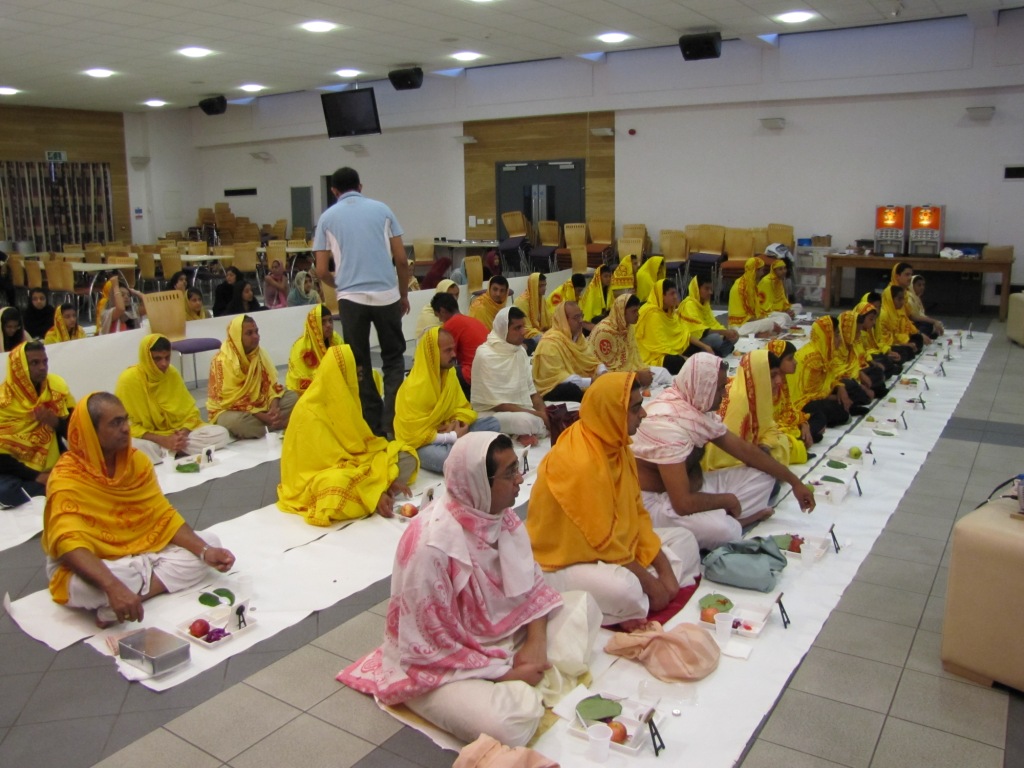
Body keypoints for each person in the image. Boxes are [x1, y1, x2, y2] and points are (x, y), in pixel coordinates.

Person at [338, 433, 601, 747]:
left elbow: (532, 588)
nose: (520, 480)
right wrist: (506, 674)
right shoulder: (431, 547)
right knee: (507, 725)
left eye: (519, 468)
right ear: (478, 484)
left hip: (503, 635)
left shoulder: (500, 518)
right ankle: (525, 684)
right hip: (444, 664)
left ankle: (528, 678)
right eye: (509, 474)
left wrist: (536, 639)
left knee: (586, 605)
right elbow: (431, 646)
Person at [41, 392, 235, 627]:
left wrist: (205, 551)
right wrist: (112, 585)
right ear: (91, 430)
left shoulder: (137, 463)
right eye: (115, 423)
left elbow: (163, 516)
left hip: (141, 551)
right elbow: (67, 544)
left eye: (125, 420)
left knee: (209, 541)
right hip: (95, 562)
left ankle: (129, 597)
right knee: (89, 587)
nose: (125, 429)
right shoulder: (66, 476)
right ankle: (123, 591)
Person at [526, 373, 701, 626]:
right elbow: (602, 541)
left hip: (613, 547)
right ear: (612, 411)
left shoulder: (615, 445)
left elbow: (637, 514)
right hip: (562, 561)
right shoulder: (580, 462)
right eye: (635, 408)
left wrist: (663, 572)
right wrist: (652, 583)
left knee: (686, 540)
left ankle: (631, 606)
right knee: (624, 589)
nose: (643, 414)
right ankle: (630, 603)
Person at [632, 353, 816, 551]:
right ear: (703, 389)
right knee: (723, 531)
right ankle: (735, 521)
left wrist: (795, 482)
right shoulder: (666, 424)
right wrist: (727, 500)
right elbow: (682, 503)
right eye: (720, 388)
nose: (725, 394)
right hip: (656, 503)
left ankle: (726, 516)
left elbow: (746, 452)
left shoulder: (695, 410)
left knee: (764, 476)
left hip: (693, 489)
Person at [314, 167, 411, 438]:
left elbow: (321, 271)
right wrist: (403, 294)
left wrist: (341, 286)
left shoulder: (327, 218)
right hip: (387, 296)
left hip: (351, 299)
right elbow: (402, 260)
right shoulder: (383, 210)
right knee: (393, 360)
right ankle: (392, 422)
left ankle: (372, 423)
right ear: (361, 185)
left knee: (360, 362)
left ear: (334, 191)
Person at [278, 344, 418, 525]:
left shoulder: (344, 399)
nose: (359, 383)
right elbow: (330, 464)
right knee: (337, 484)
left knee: (405, 455)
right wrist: (374, 485)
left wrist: (375, 477)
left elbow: (360, 445)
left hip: (355, 462)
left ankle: (376, 492)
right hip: (317, 477)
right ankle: (375, 494)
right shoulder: (309, 411)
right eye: (356, 377)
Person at [395, 327, 501, 473]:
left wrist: (455, 423)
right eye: (447, 351)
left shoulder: (449, 374)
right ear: (432, 354)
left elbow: (463, 407)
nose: (453, 354)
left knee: (492, 423)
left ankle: (463, 452)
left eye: (453, 349)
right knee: (442, 459)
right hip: (425, 443)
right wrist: (452, 436)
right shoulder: (413, 387)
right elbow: (411, 435)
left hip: (451, 430)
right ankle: (468, 450)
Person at [115, 335, 230, 465]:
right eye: (157, 359)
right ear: (146, 358)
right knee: (130, 446)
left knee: (221, 434)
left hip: (178, 434)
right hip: (149, 438)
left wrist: (183, 434)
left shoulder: (171, 373)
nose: (164, 364)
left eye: (167, 357)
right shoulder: (128, 380)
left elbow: (190, 412)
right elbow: (126, 425)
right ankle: (173, 450)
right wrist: (163, 439)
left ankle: (168, 451)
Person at [0, 341, 74, 506]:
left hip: (54, 461)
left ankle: (49, 486)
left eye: (45, 361)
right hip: (15, 470)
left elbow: (78, 433)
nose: (43, 367)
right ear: (19, 368)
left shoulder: (56, 388)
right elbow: (2, 459)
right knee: (5, 491)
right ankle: (51, 485)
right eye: (35, 363)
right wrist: (36, 476)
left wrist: (55, 422)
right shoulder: (3, 401)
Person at [207, 315, 299, 438]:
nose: (256, 336)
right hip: (231, 410)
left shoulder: (259, 354)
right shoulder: (221, 361)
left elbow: (272, 385)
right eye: (249, 333)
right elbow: (230, 401)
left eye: (256, 331)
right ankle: (275, 425)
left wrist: (274, 407)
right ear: (238, 337)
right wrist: (263, 416)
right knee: (237, 422)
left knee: (293, 398)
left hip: (261, 403)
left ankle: (266, 426)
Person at [471, 307, 550, 444]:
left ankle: (523, 432)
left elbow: (532, 393)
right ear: (503, 330)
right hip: (491, 414)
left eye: (523, 327)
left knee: (571, 407)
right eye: (517, 328)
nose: (523, 332)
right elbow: (497, 404)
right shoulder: (485, 355)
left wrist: (546, 414)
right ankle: (524, 431)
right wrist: (539, 415)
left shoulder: (520, 352)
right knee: (525, 421)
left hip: (522, 410)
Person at [787, 315, 855, 429]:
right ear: (828, 336)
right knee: (835, 408)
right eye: (837, 334)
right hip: (801, 403)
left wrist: (840, 388)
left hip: (818, 395)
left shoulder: (824, 352)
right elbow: (806, 396)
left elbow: (830, 379)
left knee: (849, 388)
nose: (840, 338)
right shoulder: (812, 358)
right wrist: (833, 397)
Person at [588, 294, 668, 389]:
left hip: (631, 371)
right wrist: (637, 376)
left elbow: (633, 358)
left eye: (637, 311)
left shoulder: (628, 326)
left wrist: (640, 372)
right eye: (634, 311)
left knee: (663, 373)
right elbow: (607, 370)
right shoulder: (604, 332)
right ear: (622, 312)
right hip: (611, 379)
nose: (637, 315)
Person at [531, 302, 605, 402]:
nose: (580, 321)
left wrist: (603, 372)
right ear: (563, 320)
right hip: (552, 389)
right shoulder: (549, 343)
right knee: (572, 390)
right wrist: (591, 381)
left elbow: (592, 361)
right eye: (576, 318)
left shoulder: (579, 337)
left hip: (581, 383)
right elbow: (559, 378)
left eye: (581, 316)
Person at [766, 339, 821, 462]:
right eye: (790, 359)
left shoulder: (781, 382)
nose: (795, 362)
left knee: (818, 417)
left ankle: (799, 441)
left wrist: (803, 423)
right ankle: (798, 443)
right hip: (772, 433)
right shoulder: (762, 382)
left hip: (783, 426)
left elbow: (788, 410)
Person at [635, 279, 702, 374]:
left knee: (696, 348)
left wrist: (705, 346)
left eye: (676, 293)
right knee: (676, 362)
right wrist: (682, 357)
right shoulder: (652, 314)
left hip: (672, 349)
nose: (675, 297)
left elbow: (682, 335)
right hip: (654, 355)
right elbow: (660, 346)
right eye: (672, 294)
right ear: (661, 296)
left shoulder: (670, 312)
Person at [431, 291, 488, 396]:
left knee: (437, 374)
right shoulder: (473, 321)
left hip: (474, 375)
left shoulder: (450, 325)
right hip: (490, 371)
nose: (439, 320)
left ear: (442, 311)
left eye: (438, 316)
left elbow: (441, 358)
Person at [286, 304, 343, 394]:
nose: (328, 325)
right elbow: (300, 377)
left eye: (330, 320)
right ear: (314, 325)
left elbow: (345, 361)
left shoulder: (335, 338)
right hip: (309, 390)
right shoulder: (301, 346)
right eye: (323, 322)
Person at [678, 275, 738, 358]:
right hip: (692, 343)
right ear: (697, 289)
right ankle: (717, 352)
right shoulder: (689, 304)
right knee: (716, 338)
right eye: (706, 289)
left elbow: (713, 323)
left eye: (711, 289)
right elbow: (700, 331)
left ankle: (715, 352)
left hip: (706, 339)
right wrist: (723, 333)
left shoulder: (705, 304)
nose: (710, 292)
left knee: (734, 335)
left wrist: (727, 333)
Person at [727, 257, 787, 336]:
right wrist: (767, 321)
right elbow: (744, 318)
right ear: (755, 271)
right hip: (740, 326)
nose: (762, 274)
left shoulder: (751, 285)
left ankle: (761, 333)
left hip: (751, 322)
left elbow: (757, 311)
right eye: (761, 270)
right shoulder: (740, 287)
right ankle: (758, 334)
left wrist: (764, 319)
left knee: (781, 318)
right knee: (769, 323)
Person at [513, 273, 551, 352]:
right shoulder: (521, 302)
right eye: (540, 286)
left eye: (545, 285)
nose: (544, 288)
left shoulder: (542, 300)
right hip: (526, 337)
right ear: (533, 286)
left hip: (539, 333)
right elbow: (525, 328)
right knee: (546, 340)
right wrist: (544, 335)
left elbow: (549, 322)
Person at [906, 274, 944, 339]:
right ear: (912, 285)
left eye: (923, 285)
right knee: (928, 325)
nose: (922, 287)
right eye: (919, 285)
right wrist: (934, 321)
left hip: (915, 324)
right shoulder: (908, 298)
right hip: (907, 326)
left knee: (931, 325)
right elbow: (915, 317)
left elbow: (921, 315)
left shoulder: (916, 297)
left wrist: (934, 322)